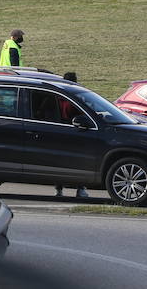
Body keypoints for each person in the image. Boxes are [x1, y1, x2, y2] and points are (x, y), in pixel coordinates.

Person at [55, 71, 90, 200]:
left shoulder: (57, 96)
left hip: (58, 133)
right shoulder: (74, 96)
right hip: (74, 133)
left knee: (60, 162)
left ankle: (59, 189)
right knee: (78, 162)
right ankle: (80, 189)